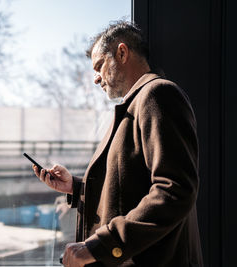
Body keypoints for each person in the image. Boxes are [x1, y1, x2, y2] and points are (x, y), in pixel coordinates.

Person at [32, 21, 203, 267]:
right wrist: (77, 187)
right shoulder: (137, 104)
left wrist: (101, 245)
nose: (96, 79)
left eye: (99, 66)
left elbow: (175, 190)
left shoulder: (158, 95)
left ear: (122, 53)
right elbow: (131, 188)